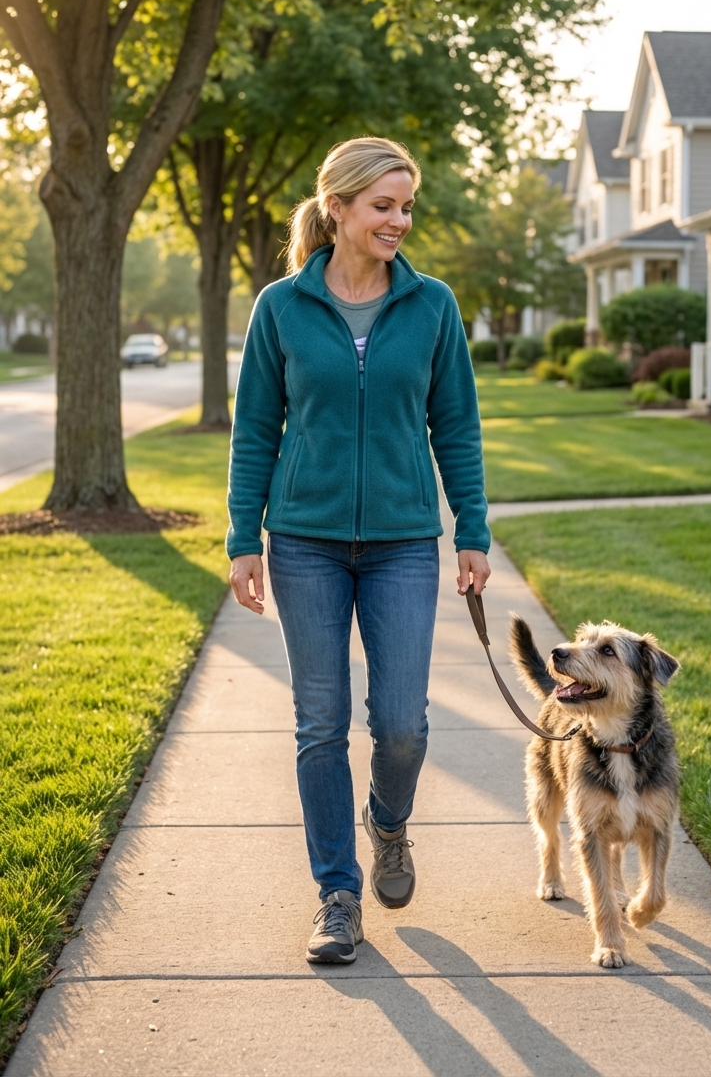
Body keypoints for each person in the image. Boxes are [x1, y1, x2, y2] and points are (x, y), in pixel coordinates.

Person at [227, 136, 491, 964]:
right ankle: (337, 896)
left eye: (407, 206)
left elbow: (455, 425)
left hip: (404, 542)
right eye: (384, 205)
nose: (399, 221)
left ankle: (389, 820)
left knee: (402, 723)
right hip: (302, 540)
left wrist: (472, 530)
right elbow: (254, 433)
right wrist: (244, 537)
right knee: (319, 723)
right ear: (336, 208)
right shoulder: (280, 306)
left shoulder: (432, 304)